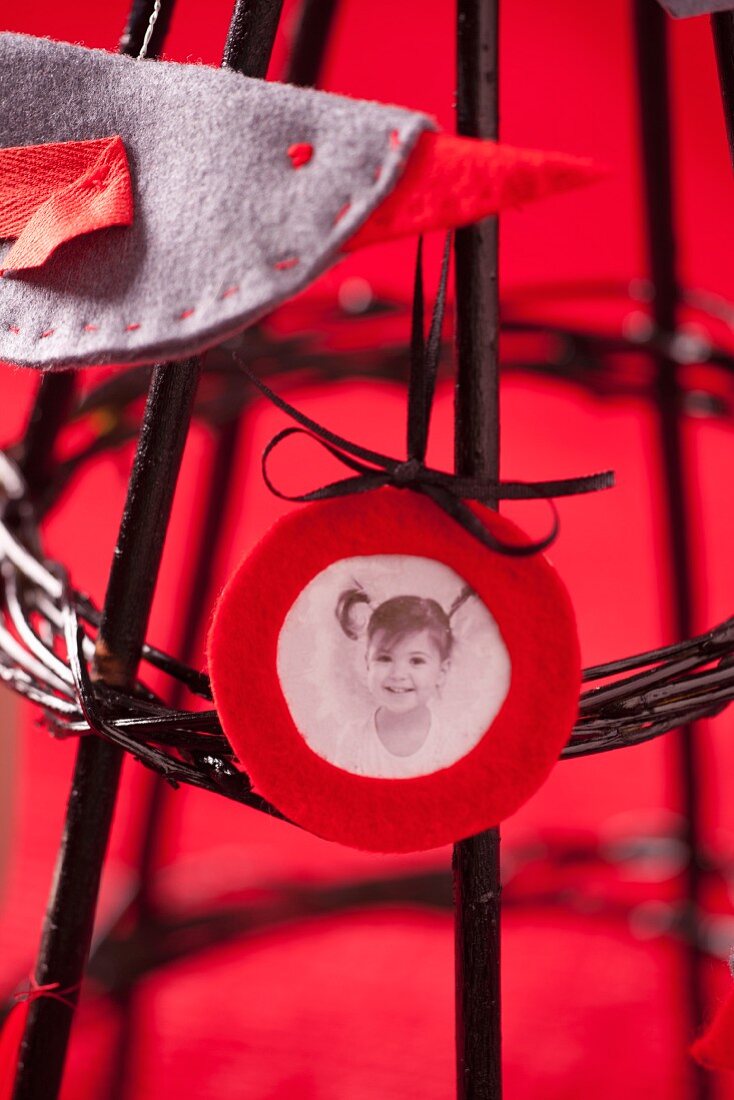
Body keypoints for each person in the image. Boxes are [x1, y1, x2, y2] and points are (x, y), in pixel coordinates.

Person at [334, 586, 471, 778]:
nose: (398, 674)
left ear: (442, 671)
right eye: (384, 658)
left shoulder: (451, 744)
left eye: (416, 661)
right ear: (367, 662)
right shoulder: (354, 741)